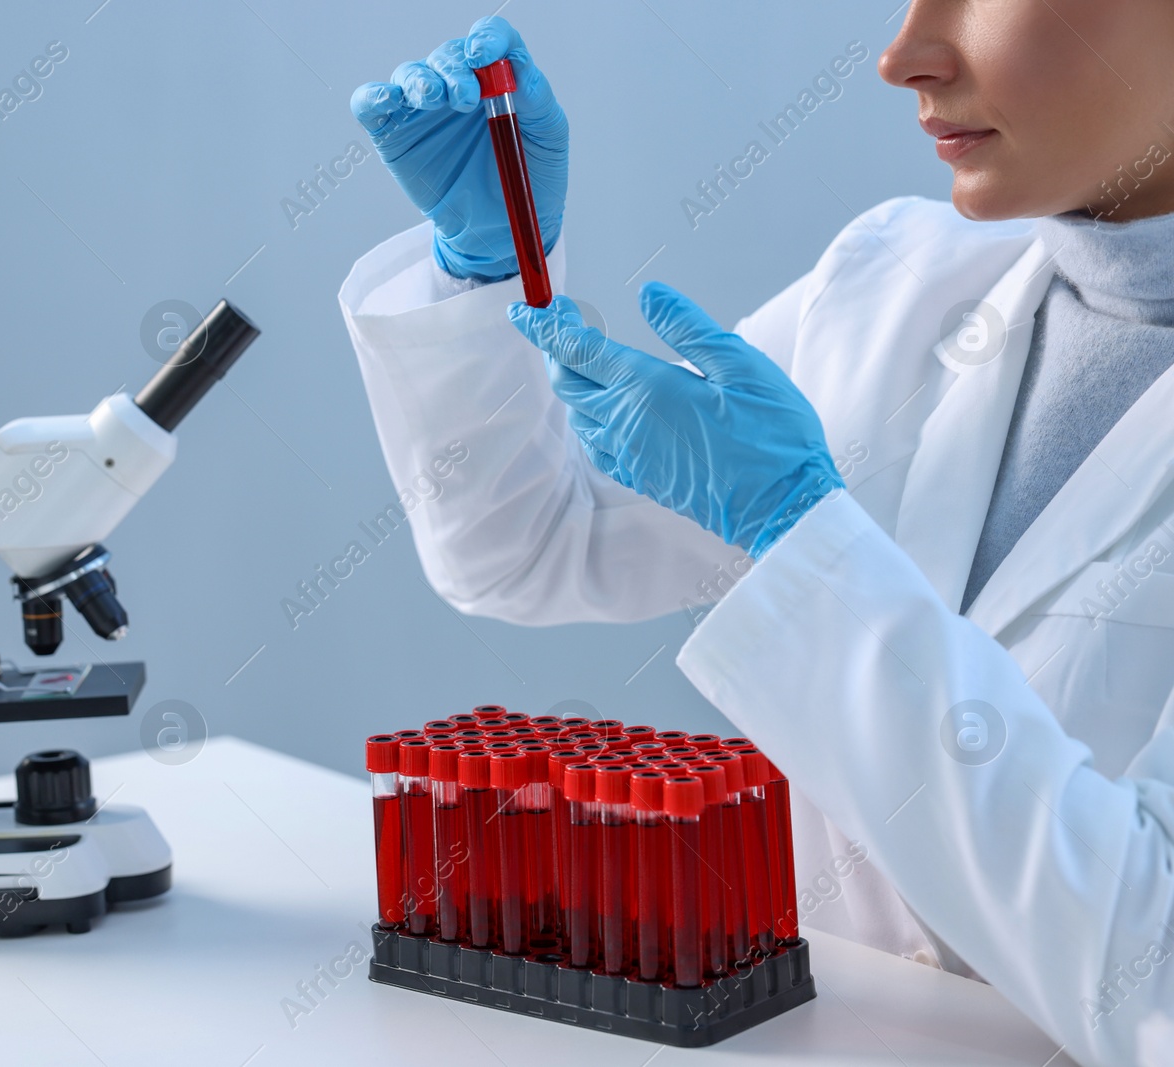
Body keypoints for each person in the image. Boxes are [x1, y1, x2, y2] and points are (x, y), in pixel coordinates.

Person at [339, 7, 1174, 1065]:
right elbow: (531, 542)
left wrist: (800, 530)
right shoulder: (898, 280)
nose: (905, 56)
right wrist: (487, 269)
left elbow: (1152, 979)